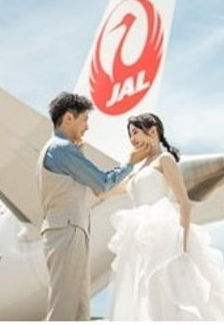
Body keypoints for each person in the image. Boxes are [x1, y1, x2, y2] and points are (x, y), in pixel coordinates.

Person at [107, 113, 224, 320]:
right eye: (130, 136)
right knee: (145, 295)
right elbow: (104, 190)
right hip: (139, 239)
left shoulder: (164, 159)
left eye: (135, 132)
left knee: (176, 295)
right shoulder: (137, 169)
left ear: (153, 130)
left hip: (165, 235)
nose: (132, 139)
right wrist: (128, 162)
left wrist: (181, 243)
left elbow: (184, 203)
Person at [38, 92, 147, 321]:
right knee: (63, 309)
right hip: (67, 231)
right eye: (85, 119)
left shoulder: (62, 150)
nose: (87, 127)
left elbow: (96, 189)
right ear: (69, 118)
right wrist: (130, 163)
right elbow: (102, 182)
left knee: (79, 311)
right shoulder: (61, 149)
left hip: (70, 231)